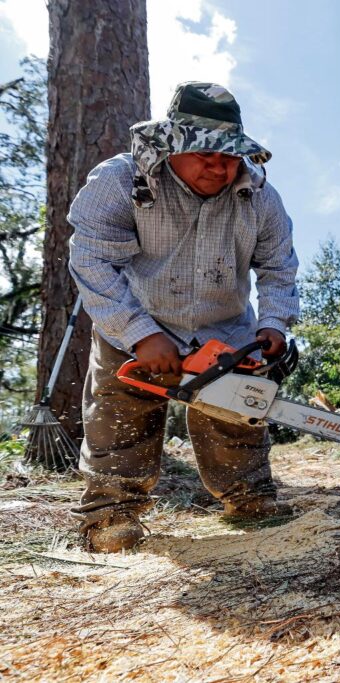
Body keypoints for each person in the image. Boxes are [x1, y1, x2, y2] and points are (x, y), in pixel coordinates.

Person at [67, 82, 300, 553]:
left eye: (229, 156)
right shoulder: (120, 182)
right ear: (171, 144)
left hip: (224, 329)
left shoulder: (260, 197)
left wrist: (273, 324)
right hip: (134, 320)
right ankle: (111, 512)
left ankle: (249, 498)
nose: (220, 166)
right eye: (205, 155)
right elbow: (91, 259)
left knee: (237, 419)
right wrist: (140, 334)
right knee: (120, 416)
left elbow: (278, 268)